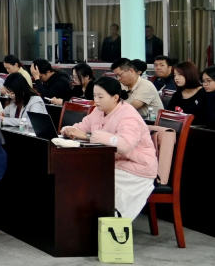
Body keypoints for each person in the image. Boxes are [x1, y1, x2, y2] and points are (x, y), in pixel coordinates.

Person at [61, 76, 156, 219]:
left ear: (115, 97)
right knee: (80, 174)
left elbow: (125, 144)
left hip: (136, 168)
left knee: (95, 179)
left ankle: (101, 221)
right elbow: (82, 126)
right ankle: (80, 220)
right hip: (112, 162)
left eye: (100, 96)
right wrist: (69, 130)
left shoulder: (128, 115)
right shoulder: (98, 110)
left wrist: (89, 136)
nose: (96, 100)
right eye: (94, 95)